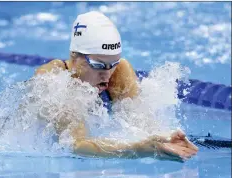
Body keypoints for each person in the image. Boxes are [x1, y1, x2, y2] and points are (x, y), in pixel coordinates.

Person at [34, 11, 198, 162]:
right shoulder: (54, 79)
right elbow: (77, 145)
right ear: (74, 57)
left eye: (113, 64)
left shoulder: (120, 71)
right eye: (98, 65)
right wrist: (138, 149)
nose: (107, 74)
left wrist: (166, 140)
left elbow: (141, 124)